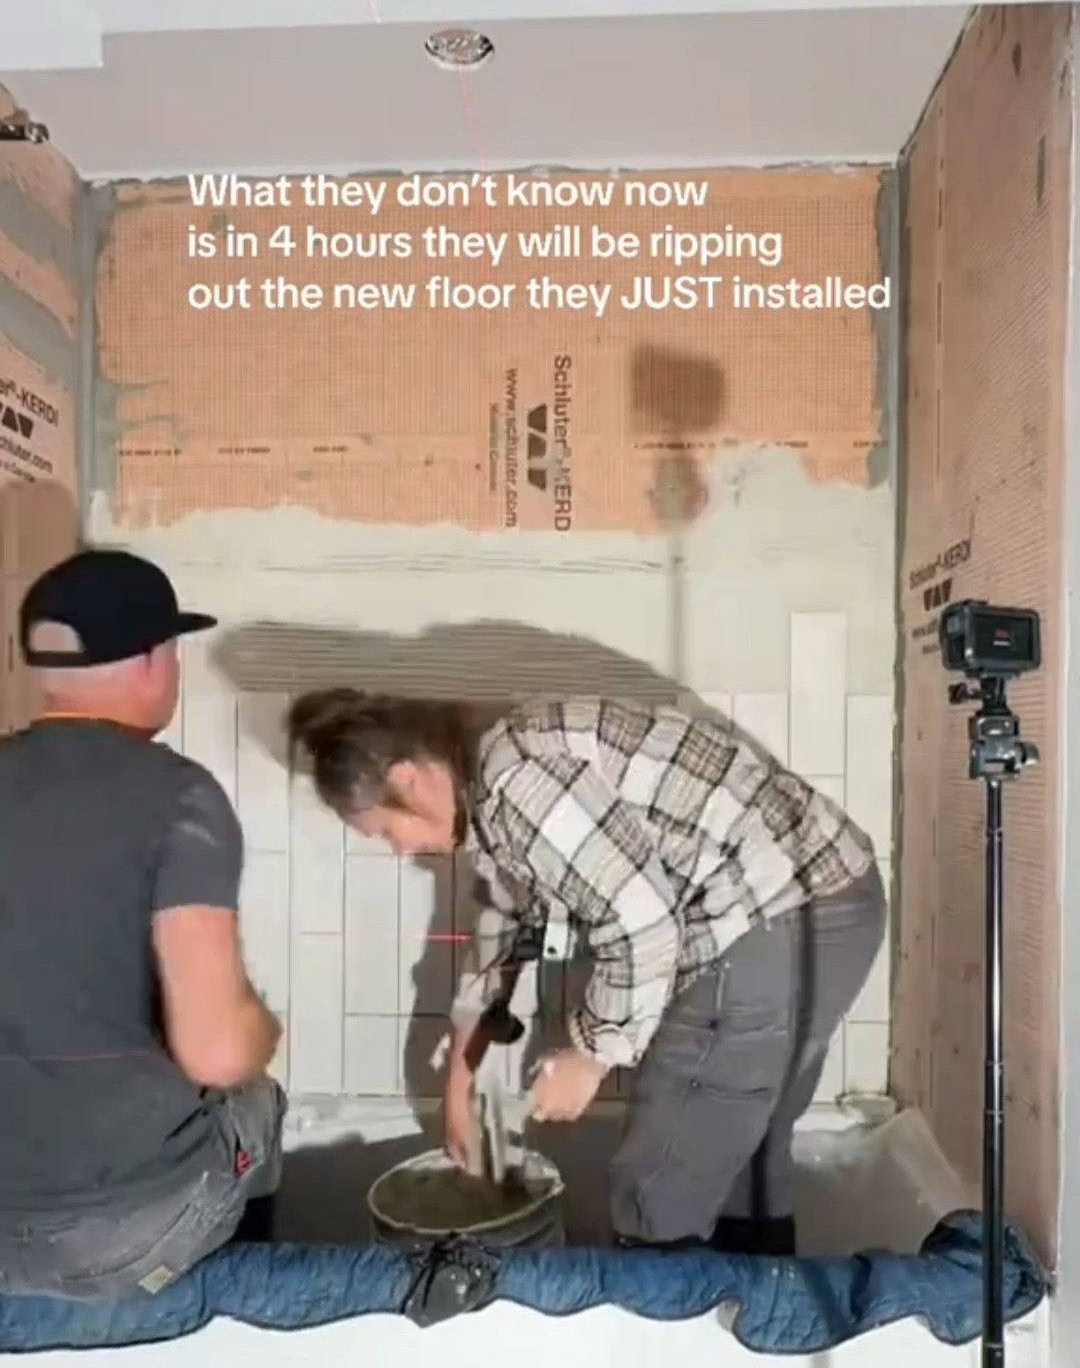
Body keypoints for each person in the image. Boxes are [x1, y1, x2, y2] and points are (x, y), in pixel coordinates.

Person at [287, 689, 887, 1254]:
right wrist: (457, 1088)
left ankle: (664, 1318)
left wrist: (591, 1055)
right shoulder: (494, 793)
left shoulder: (518, 782)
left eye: (385, 831)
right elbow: (501, 928)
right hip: (827, 899)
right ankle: (755, 1312)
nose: (398, 850)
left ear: (406, 778)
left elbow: (642, 922)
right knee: (741, 1151)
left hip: (778, 914)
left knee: (660, 1182)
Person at [0, 546, 285, 1298]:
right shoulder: (178, 798)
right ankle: (225, 1315)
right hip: (116, 1239)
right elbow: (217, 1054)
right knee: (256, 1100)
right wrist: (262, 1028)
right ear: (154, 661)